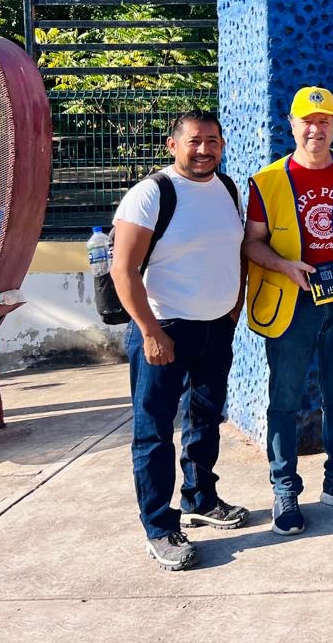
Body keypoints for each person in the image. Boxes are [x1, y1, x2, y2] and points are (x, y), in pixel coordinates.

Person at [113, 109, 247, 571]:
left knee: (205, 418)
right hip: (164, 328)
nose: (204, 149)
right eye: (194, 141)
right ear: (173, 145)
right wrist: (150, 331)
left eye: (213, 140)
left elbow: (235, 248)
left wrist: (236, 302)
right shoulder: (151, 194)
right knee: (153, 432)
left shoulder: (229, 189)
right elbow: (123, 270)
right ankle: (159, 526)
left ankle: (200, 498)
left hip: (215, 326)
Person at [243, 87, 333, 536]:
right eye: (307, 120)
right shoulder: (268, 181)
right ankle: (284, 488)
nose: (315, 129)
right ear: (292, 124)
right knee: (285, 399)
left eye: (324, 121)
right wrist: (285, 266)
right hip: (292, 301)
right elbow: (251, 242)